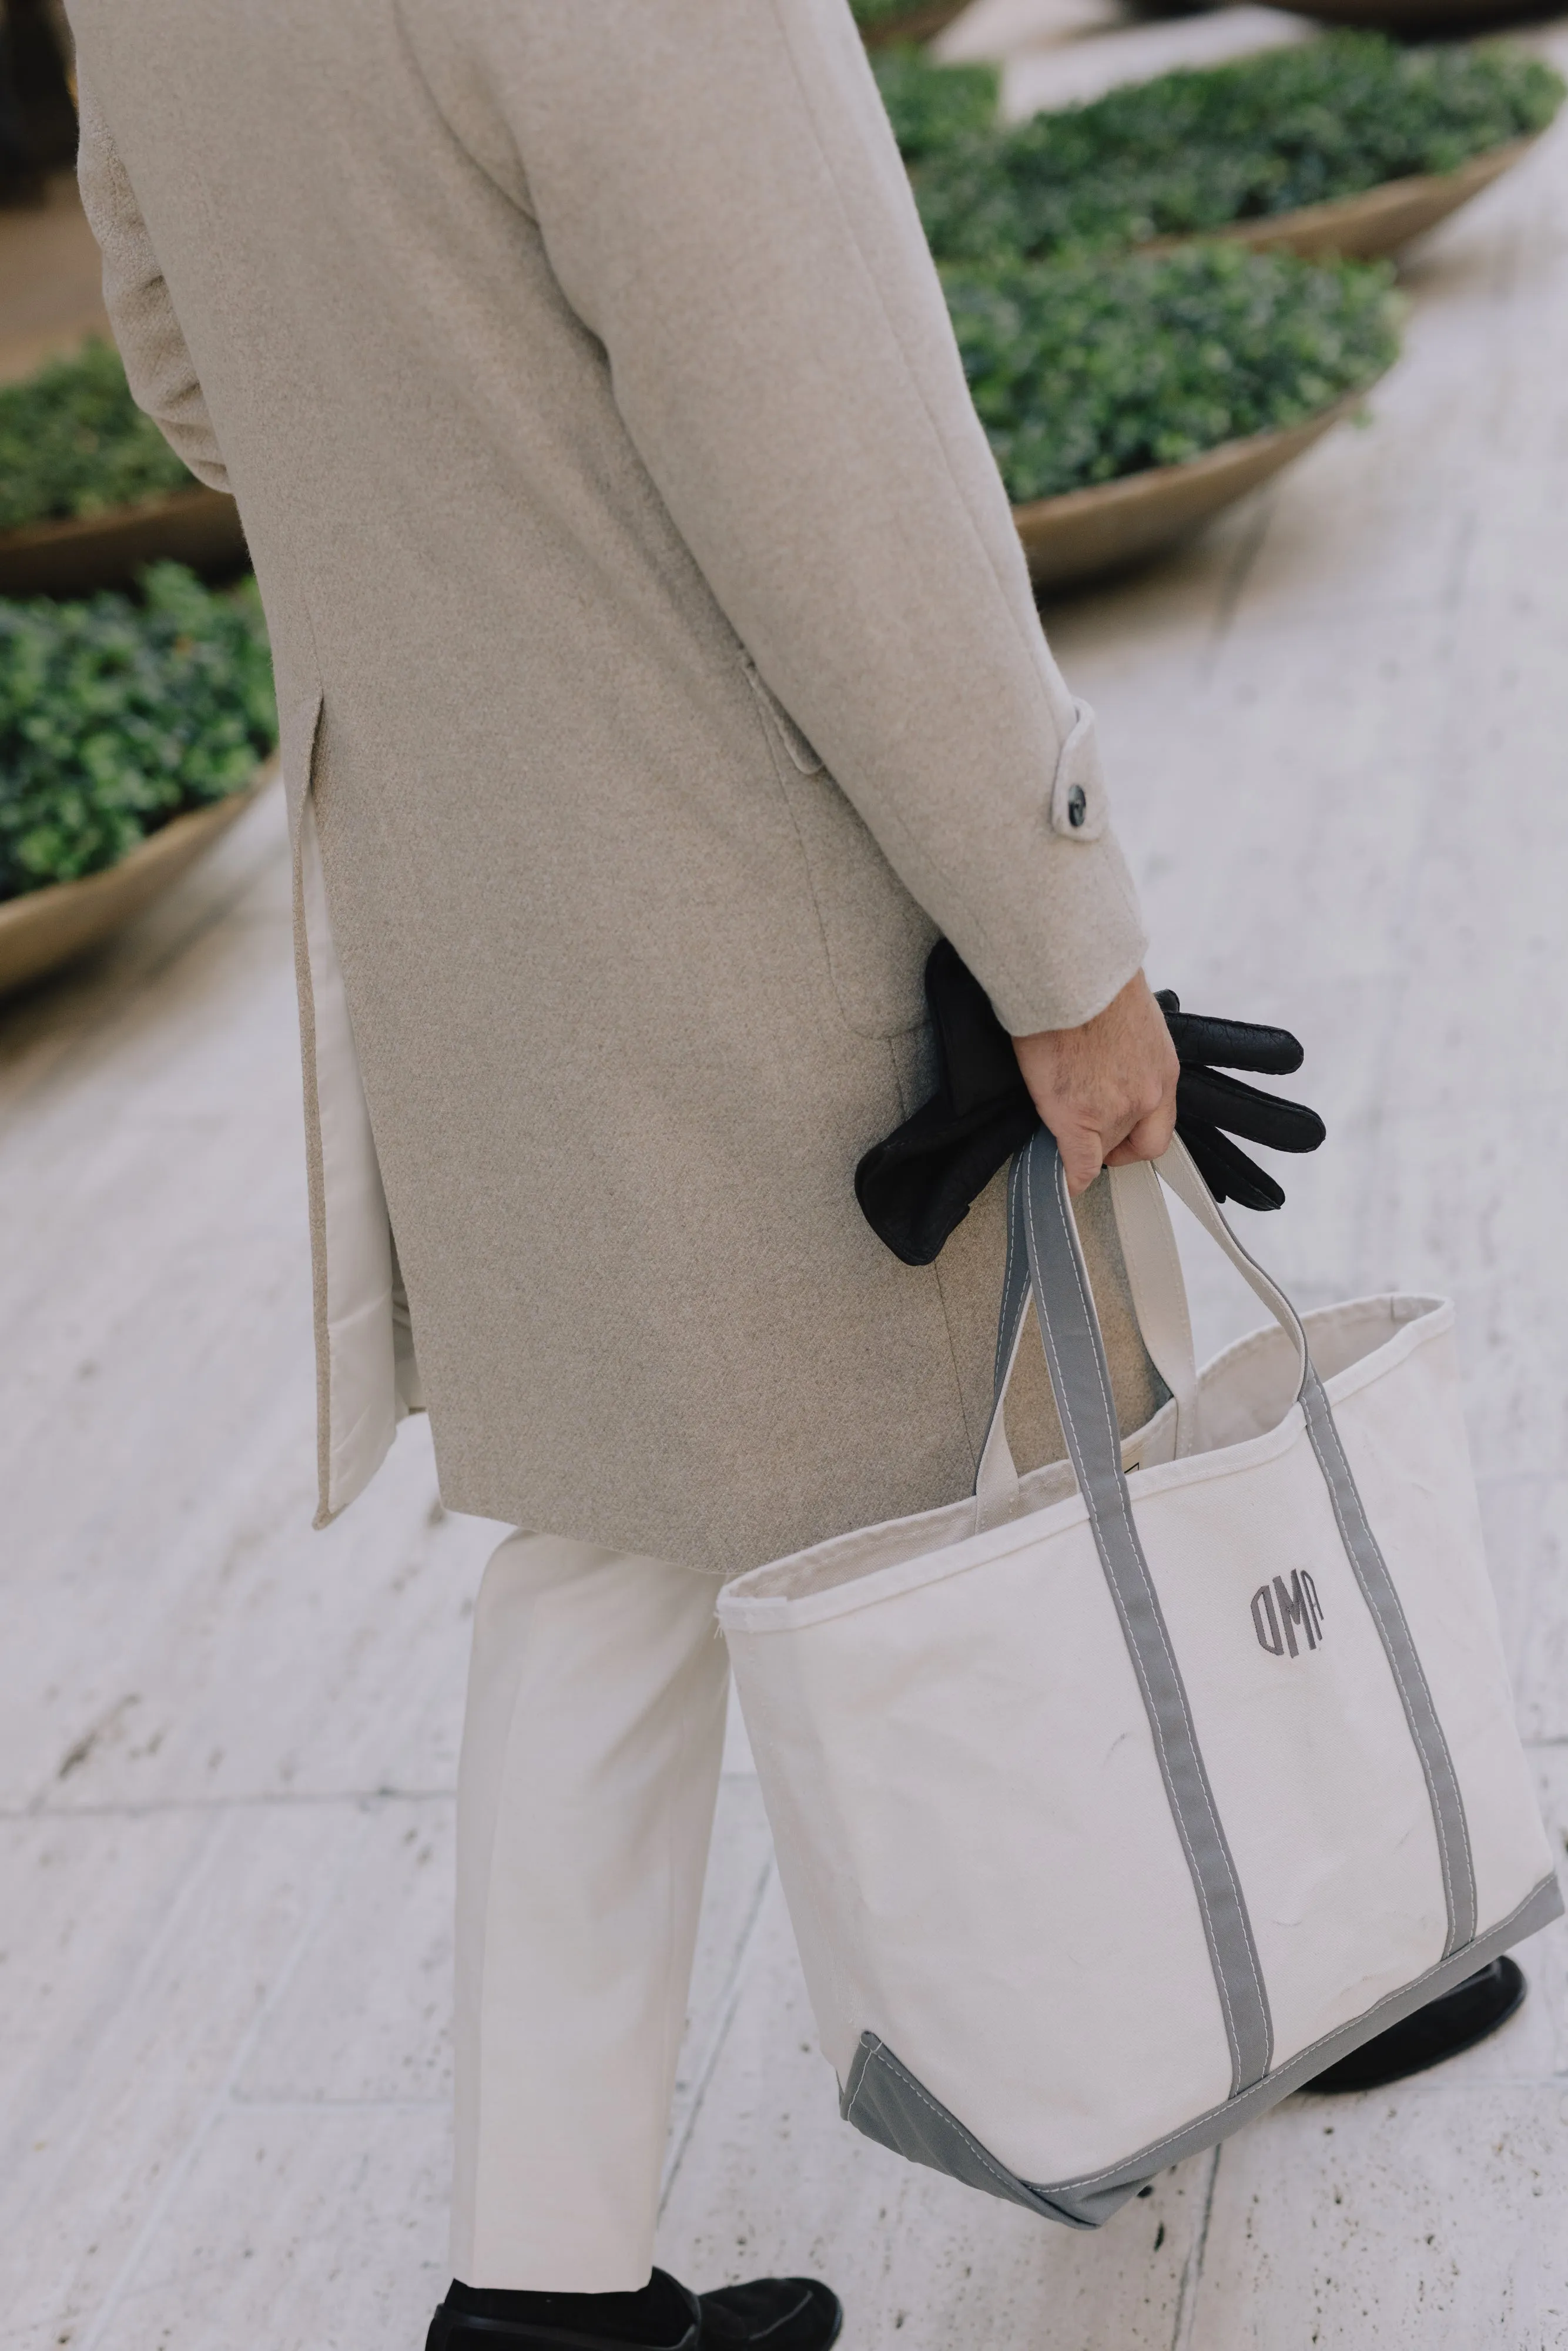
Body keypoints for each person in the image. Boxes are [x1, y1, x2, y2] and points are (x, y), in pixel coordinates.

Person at [69, 3, 1180, 2344]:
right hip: (749, 804)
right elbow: (835, 448)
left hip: (470, 815)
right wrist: (1060, 921)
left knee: (623, 1518)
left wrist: (469, 516)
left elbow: (190, 355)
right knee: (1057, 1310)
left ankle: (551, 2280)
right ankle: (1277, 1925)